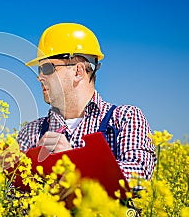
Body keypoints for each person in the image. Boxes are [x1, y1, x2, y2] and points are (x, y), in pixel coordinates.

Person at [17, 23, 156, 181]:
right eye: (39, 70)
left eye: (48, 68)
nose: (40, 77)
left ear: (78, 71)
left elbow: (140, 176)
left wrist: (75, 166)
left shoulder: (125, 118)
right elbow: (10, 195)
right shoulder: (30, 133)